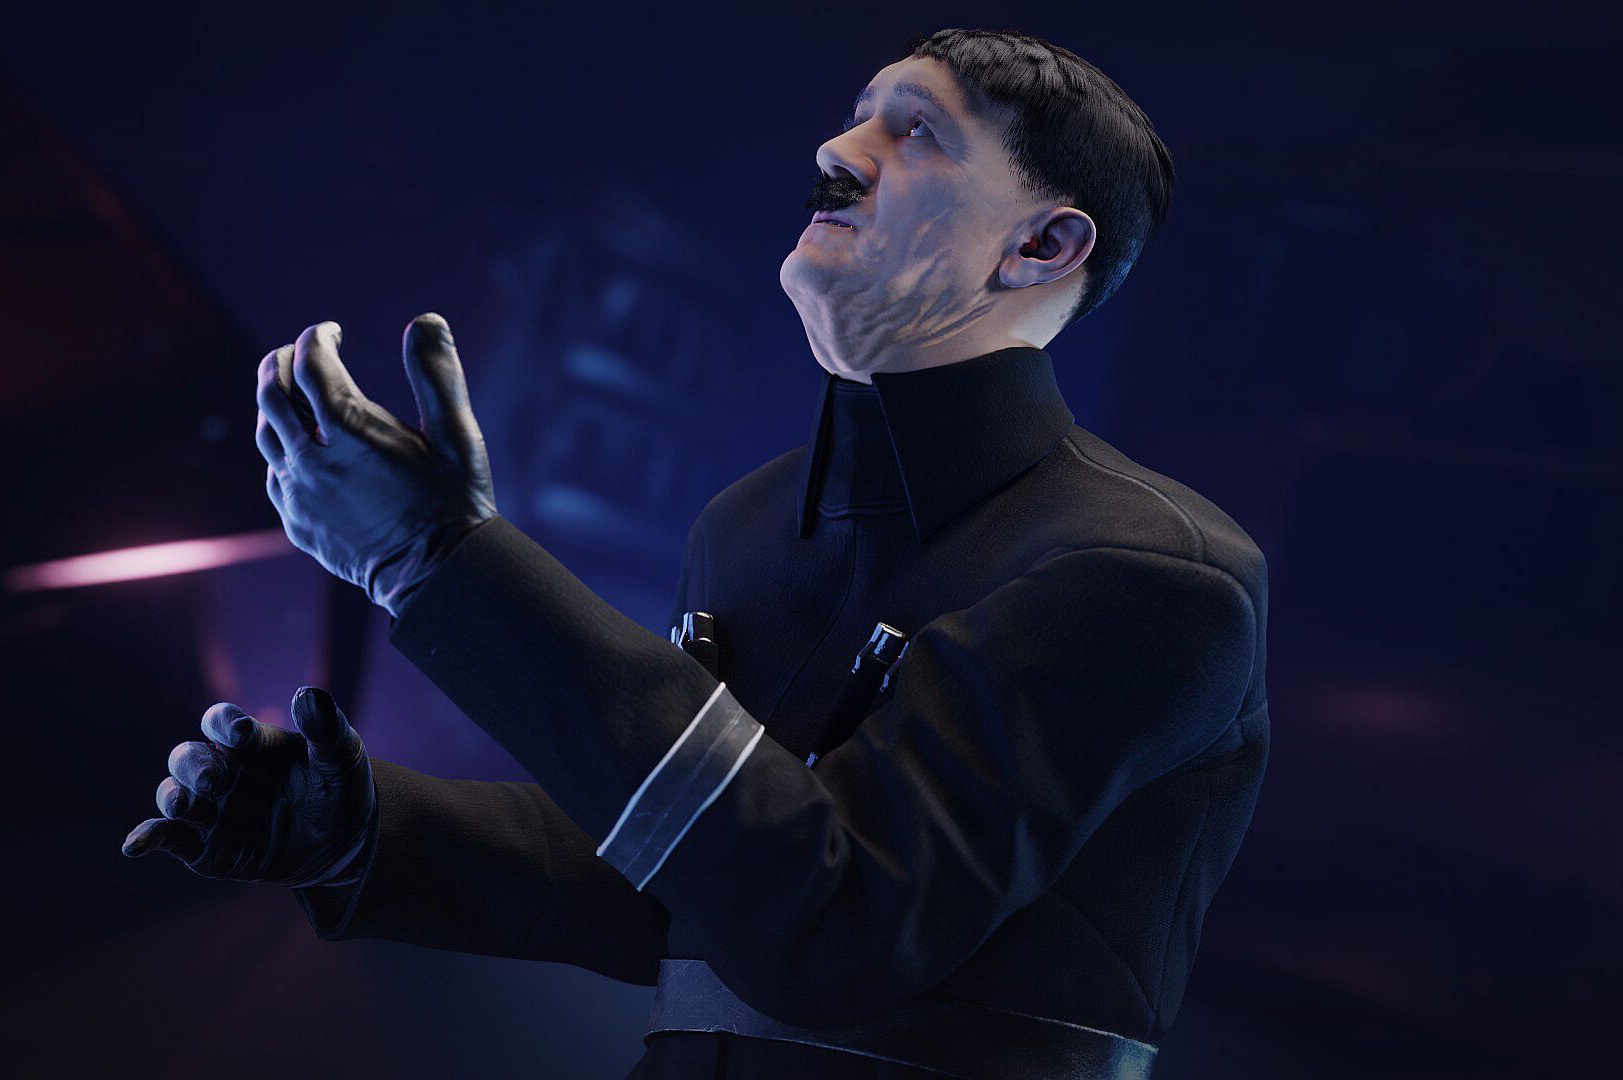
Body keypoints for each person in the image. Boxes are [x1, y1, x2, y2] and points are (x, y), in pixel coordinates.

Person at [122, 27, 1270, 1080]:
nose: (838, 150)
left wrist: (439, 562)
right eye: (859, 116)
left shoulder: (1145, 570)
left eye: (917, 129)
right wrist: (366, 832)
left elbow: (838, 927)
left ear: (1043, 244)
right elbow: (696, 887)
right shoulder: (748, 525)